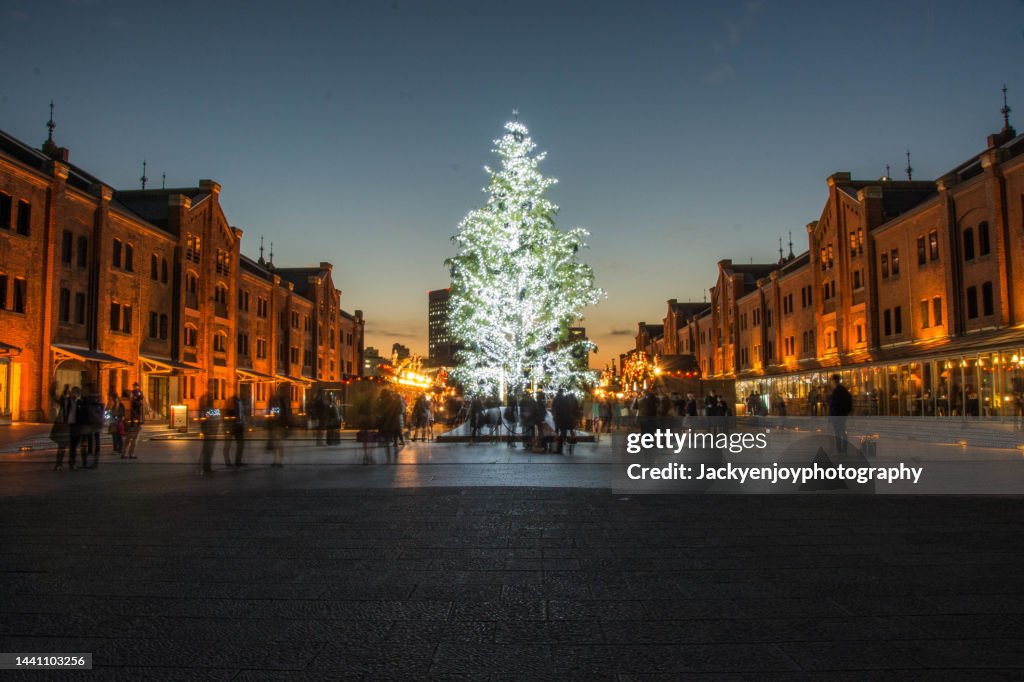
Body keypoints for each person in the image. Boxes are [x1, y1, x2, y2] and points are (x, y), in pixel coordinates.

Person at [80, 384, 105, 469]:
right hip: (96, 423)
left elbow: (84, 410)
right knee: (95, 441)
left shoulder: (87, 400)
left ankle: (86, 462)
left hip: (89, 423)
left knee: (85, 442)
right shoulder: (98, 399)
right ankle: (94, 462)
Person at [826, 373, 853, 453]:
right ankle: (843, 449)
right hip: (842, 415)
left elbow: (832, 405)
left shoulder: (836, 392)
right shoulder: (844, 390)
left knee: (838, 432)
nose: (831, 382)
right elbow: (849, 401)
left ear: (834, 381)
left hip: (837, 415)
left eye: (832, 381)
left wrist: (831, 417)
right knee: (842, 432)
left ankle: (840, 450)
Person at [50, 384, 72, 471]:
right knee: (62, 446)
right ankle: (60, 463)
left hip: (66, 425)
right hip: (64, 425)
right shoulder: (68, 402)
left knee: (63, 446)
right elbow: (55, 397)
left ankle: (60, 463)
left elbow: (55, 397)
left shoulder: (70, 403)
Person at [198, 387, 219, 475]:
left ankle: (205, 466)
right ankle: (205, 467)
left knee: (207, 450)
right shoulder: (209, 410)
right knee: (207, 450)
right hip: (210, 432)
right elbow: (214, 419)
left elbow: (216, 419)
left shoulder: (209, 409)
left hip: (210, 432)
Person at [224, 392, 248, 467]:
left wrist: (244, 423)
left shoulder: (240, 401)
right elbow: (228, 412)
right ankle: (228, 462)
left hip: (238, 425)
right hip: (232, 425)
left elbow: (242, 413)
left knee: (241, 444)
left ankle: (238, 461)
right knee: (228, 444)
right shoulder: (232, 400)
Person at [107, 391, 126, 456]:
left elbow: (122, 413)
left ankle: (119, 449)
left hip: (118, 422)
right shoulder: (112, 404)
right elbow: (108, 411)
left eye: (112, 398)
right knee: (114, 436)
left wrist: (116, 415)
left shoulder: (120, 405)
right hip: (113, 422)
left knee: (118, 436)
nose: (111, 400)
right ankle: (116, 449)